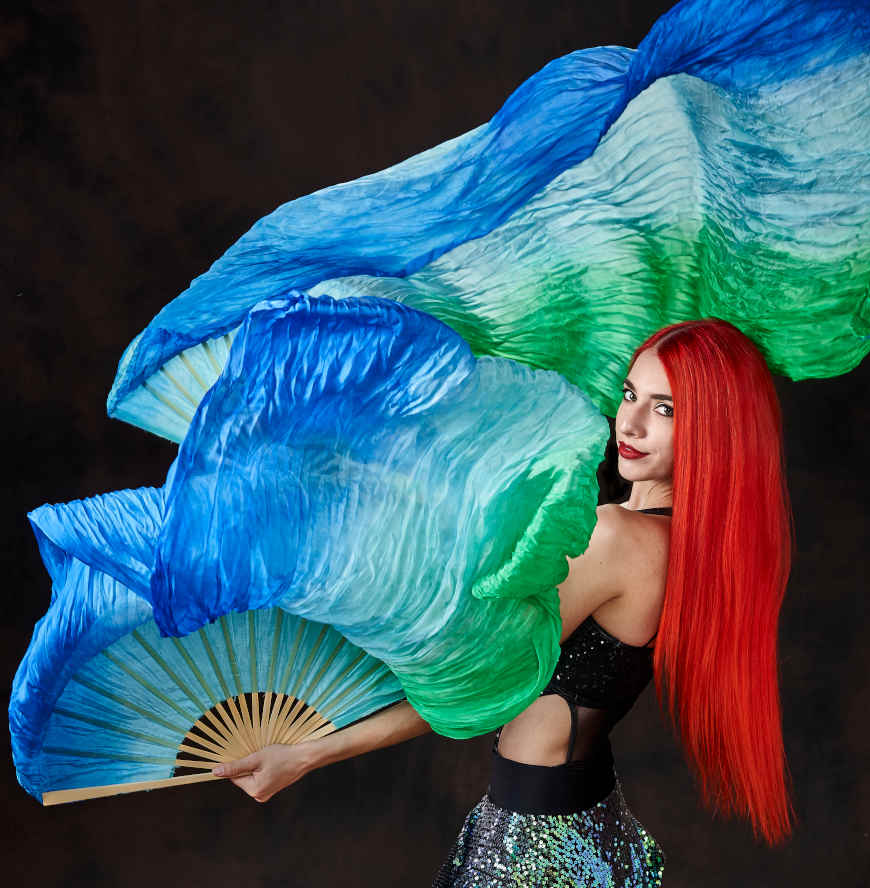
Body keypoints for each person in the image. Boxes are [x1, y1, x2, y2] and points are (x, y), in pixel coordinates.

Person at [213, 317, 794, 884]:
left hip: (536, 845)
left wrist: (307, 755)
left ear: (714, 428)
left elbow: (474, 683)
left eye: (665, 409)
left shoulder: (618, 538)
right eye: (630, 394)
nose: (632, 423)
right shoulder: (680, 541)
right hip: (583, 818)